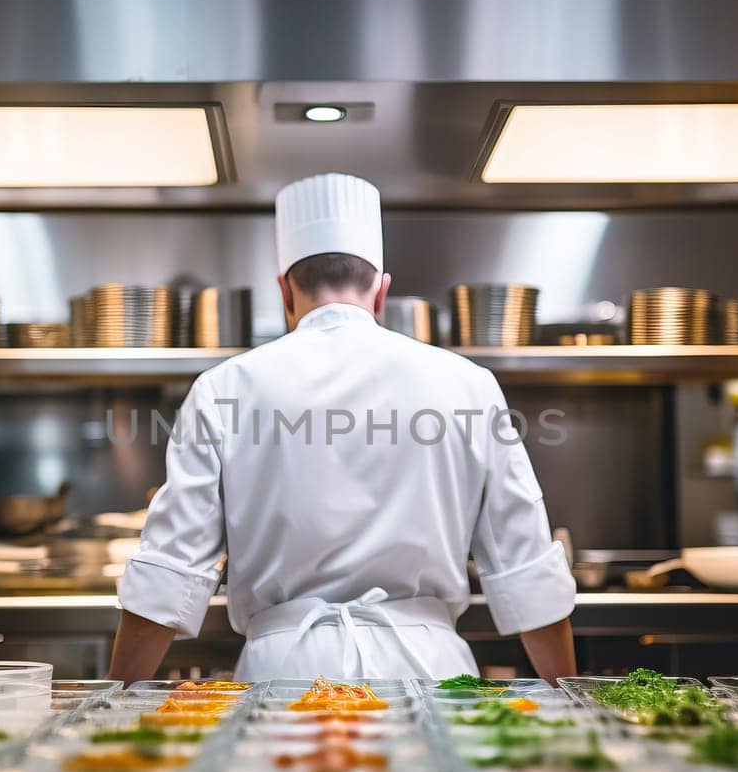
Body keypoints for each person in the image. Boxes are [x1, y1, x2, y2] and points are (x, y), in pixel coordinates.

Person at [108, 173, 576, 683]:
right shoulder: (470, 385)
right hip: (432, 675)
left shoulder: (223, 388)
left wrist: (109, 706)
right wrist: (576, 709)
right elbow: (529, 574)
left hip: (282, 678)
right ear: (382, 293)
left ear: (284, 291)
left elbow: (168, 574)